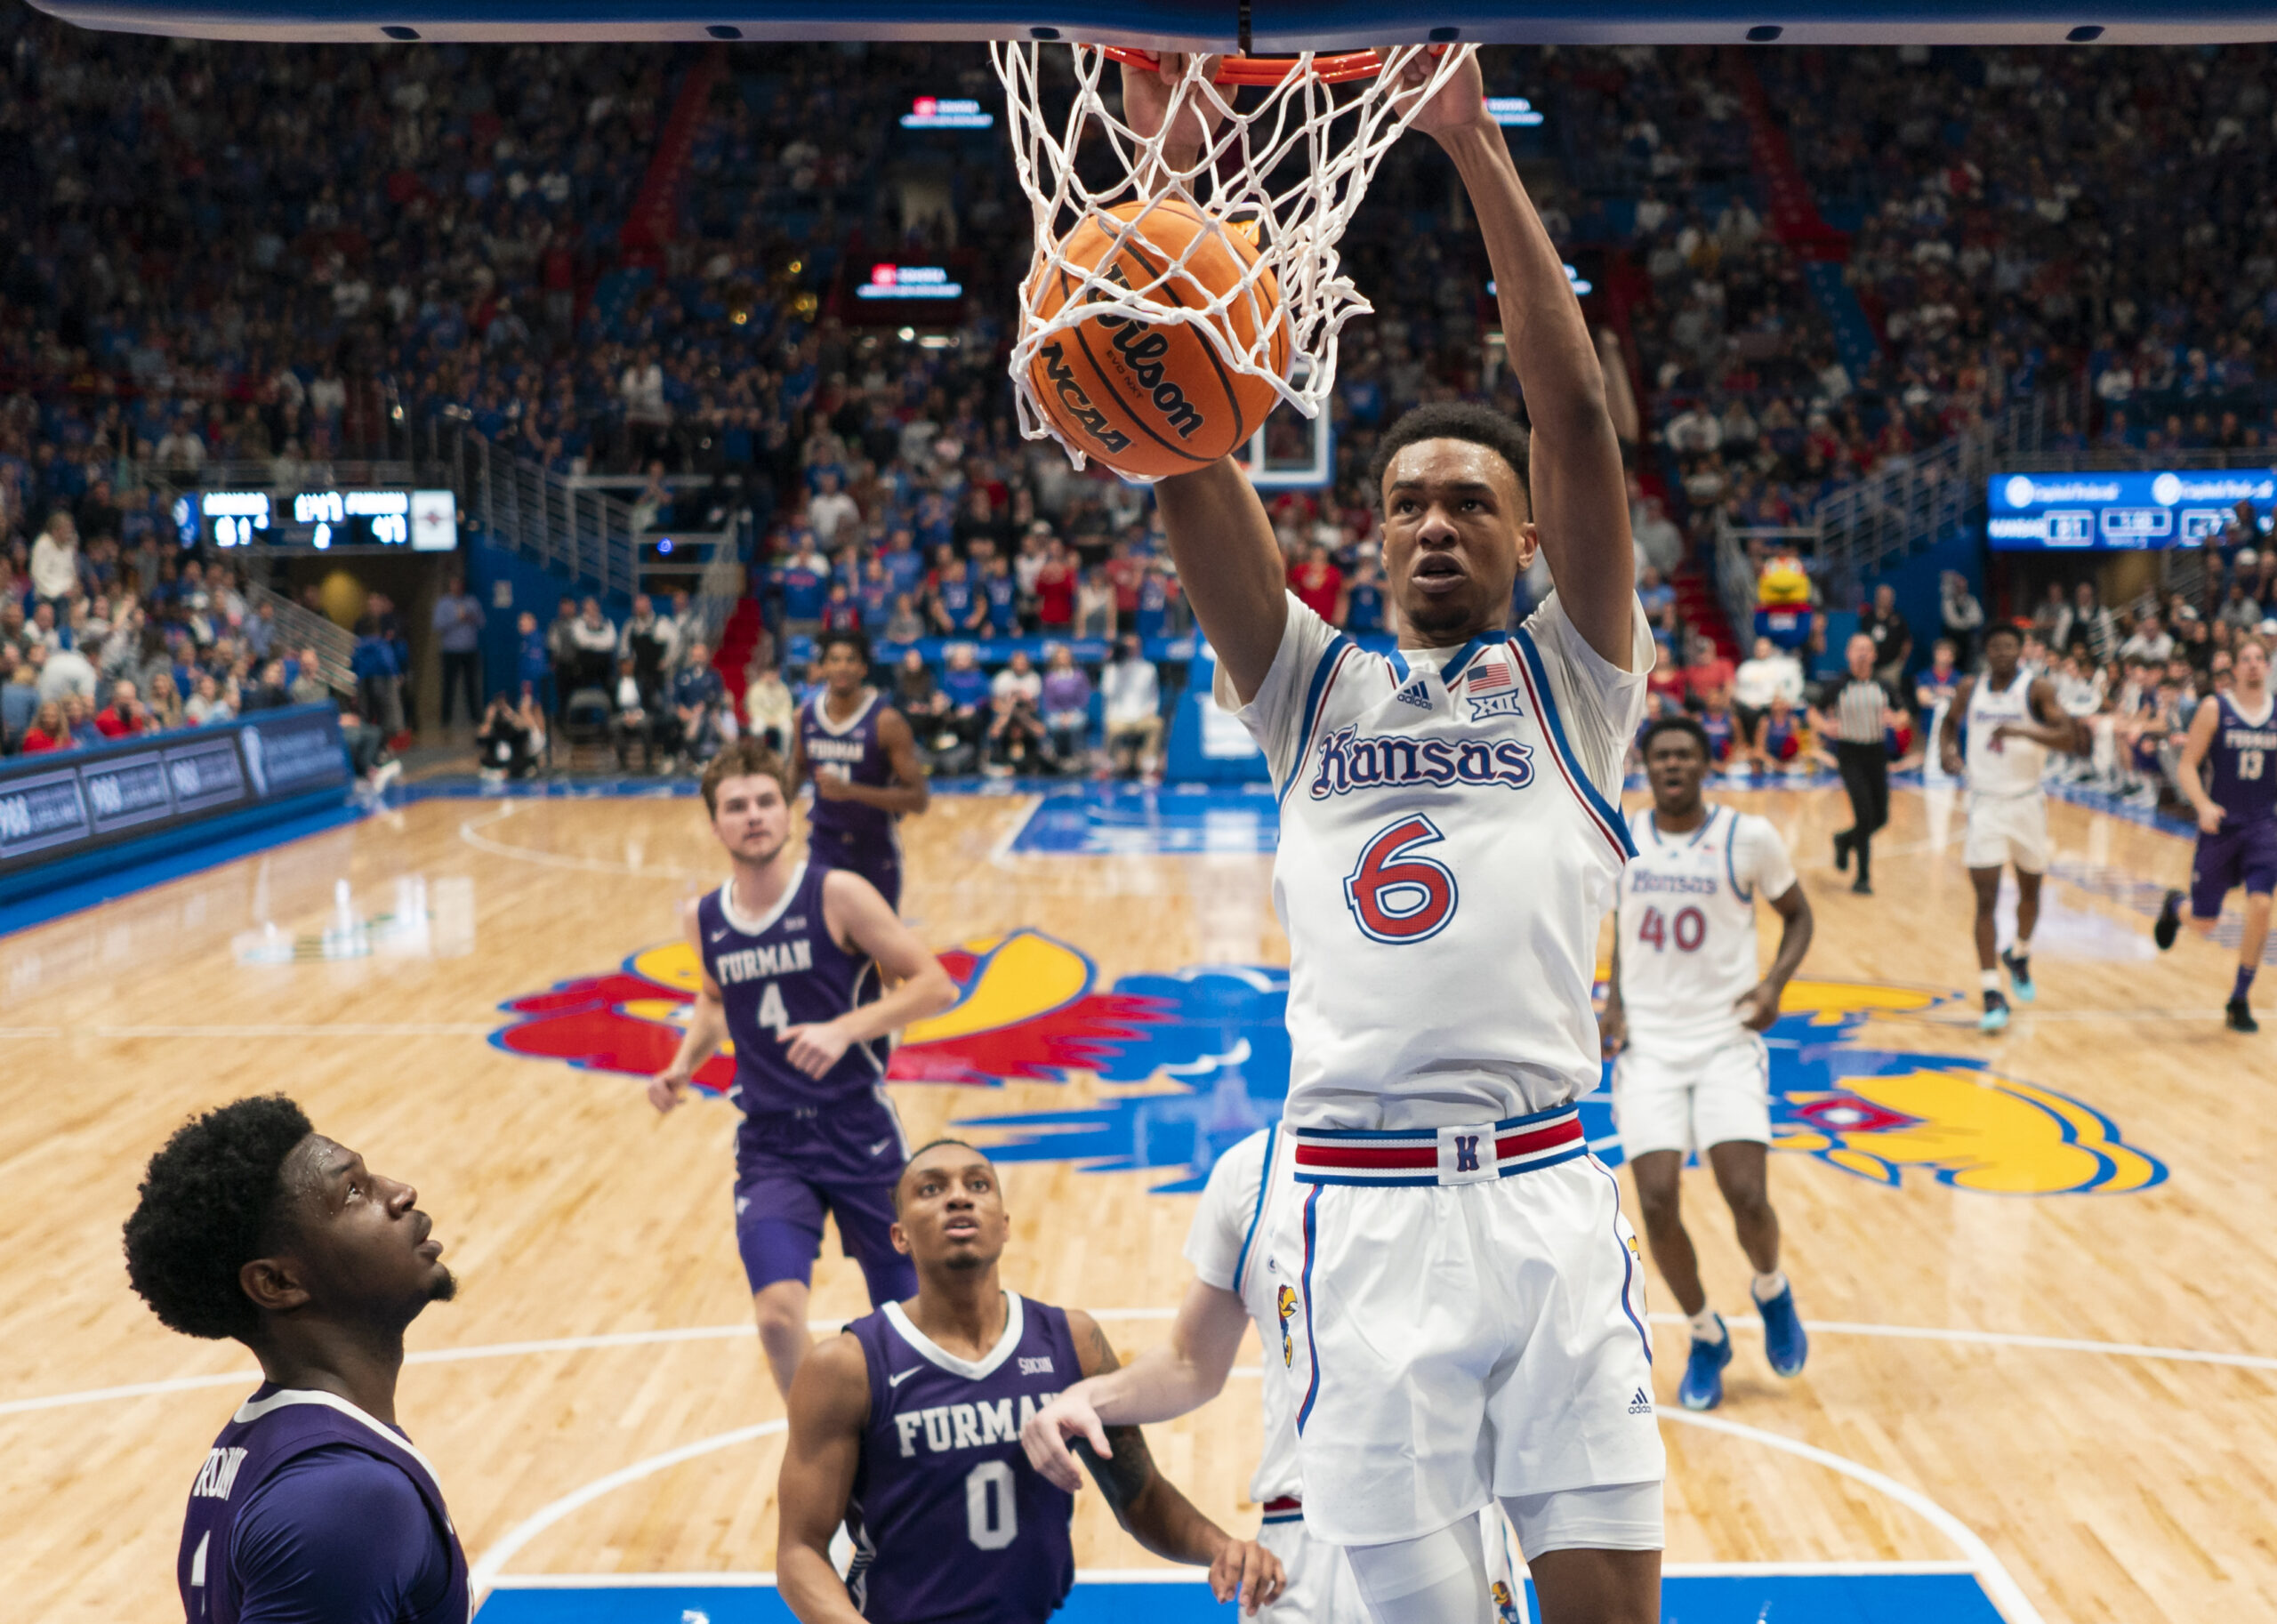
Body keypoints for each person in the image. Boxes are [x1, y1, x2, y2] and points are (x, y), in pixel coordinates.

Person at [1123, 50, 1660, 1624]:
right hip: (1358, 1217)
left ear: (1526, 538)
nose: (1437, 521)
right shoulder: (1308, 686)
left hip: (1552, 1198)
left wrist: (1471, 138)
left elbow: (1571, 415)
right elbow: (1184, 447)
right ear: (1370, 531)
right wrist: (1168, 177)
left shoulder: (1578, 680)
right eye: (1409, 500)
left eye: (1472, 504)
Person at [1024, 1121, 1526, 1623]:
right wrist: (1089, 1398)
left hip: (1451, 1516)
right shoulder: (1252, 1171)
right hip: (1298, 1542)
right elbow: (1191, 1364)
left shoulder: (1471, 1145)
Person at [776, 1138, 1285, 1624]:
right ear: (900, 1235)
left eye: (978, 1185)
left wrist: (1222, 1548)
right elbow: (799, 1551)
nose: (958, 1197)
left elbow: (1143, 1497)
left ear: (1004, 1225)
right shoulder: (847, 1366)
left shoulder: (1072, 1341)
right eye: (931, 1189)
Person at [650, 743, 956, 1397]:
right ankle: (823, 1459)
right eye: (736, 806)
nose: (753, 816)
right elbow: (713, 1000)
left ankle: (917, 1448)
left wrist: (845, 1028)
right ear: (715, 825)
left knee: (905, 1319)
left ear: (790, 815)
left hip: (858, 1130)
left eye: (766, 802)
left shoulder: (837, 894)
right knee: (777, 1317)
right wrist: (681, 1066)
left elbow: (935, 985)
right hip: (770, 1142)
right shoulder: (704, 917)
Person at [122, 1097, 465, 1624]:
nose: (401, 1192)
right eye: (353, 1192)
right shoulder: (342, 1497)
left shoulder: (263, 1446)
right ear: (278, 1283)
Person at [1601, 717, 1814, 1411]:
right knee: (1656, 1202)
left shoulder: (1746, 838)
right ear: (1647, 765)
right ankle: (1705, 1334)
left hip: (1726, 1038)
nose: (1671, 766)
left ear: (1704, 765)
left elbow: (1800, 916)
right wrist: (1613, 1004)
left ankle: (1772, 1289)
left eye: (1684, 756)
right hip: (1650, 1048)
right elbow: (1617, 931)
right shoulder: (1621, 835)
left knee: (1745, 1194)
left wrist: (1773, 985)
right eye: (1660, 756)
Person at [1939, 623, 2085, 1033]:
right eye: (1994, 647)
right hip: (1984, 802)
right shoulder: (1971, 688)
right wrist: (1947, 754)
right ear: (1986, 651)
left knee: (2030, 892)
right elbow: (1948, 724)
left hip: (2026, 803)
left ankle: (2019, 953)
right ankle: (1990, 991)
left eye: (2009, 647)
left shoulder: (2036, 690)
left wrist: (2023, 728)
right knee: (1984, 899)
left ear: (2020, 651)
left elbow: (2067, 737)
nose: (2001, 653)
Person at [2154, 633, 2275, 1033]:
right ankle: (2175, 907)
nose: (2254, 664)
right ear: (2235, 668)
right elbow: (2188, 765)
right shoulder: (2215, 708)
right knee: (2205, 922)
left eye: (2261, 658)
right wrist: (2203, 805)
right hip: (2222, 824)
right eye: (2247, 658)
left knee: (2261, 906)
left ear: (2269, 667)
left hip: (2263, 826)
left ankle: (2239, 998)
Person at [793, 631, 929, 910]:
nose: (842, 666)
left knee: (876, 949)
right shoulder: (804, 717)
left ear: (863, 668)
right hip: (824, 845)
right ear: (822, 668)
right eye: (834, 659)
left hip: (873, 848)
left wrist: (850, 792)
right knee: (824, 946)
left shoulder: (886, 722)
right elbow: (797, 768)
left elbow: (918, 799)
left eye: (850, 660)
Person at [1810, 634, 1898, 895]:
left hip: (1876, 754)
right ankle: (1863, 877)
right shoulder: (1838, 685)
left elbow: (1903, 711)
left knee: (1881, 817)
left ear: (1874, 655)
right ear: (1848, 654)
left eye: (1867, 649)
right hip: (1850, 755)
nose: (1862, 653)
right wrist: (1824, 726)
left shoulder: (1883, 685)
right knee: (1864, 814)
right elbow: (1812, 712)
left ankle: (1843, 840)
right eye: (1857, 648)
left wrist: (1897, 718)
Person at [1101, 634, 1162, 778]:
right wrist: (1114, 664)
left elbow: (1154, 695)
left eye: (1134, 647)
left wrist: (1150, 711)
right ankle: (1108, 766)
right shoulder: (1112, 668)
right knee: (1113, 729)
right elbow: (1107, 691)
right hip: (1118, 716)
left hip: (1142, 716)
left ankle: (1149, 768)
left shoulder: (1148, 669)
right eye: (1128, 647)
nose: (1131, 650)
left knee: (1156, 725)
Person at [431, 575, 486, 728]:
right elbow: (437, 625)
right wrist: (456, 618)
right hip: (450, 651)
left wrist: (470, 617)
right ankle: (445, 719)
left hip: (469, 650)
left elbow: (482, 622)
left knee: (471, 685)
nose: (456, 587)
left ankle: (475, 717)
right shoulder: (443, 603)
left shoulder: (472, 602)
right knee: (448, 685)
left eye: (459, 584)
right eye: (453, 584)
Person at [1859, 583, 1912, 686]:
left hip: (1891, 667)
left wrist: (1900, 663)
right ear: (1876, 597)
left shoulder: (1899, 619)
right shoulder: (1867, 618)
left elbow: (1907, 642)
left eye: (1888, 597)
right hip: (1870, 666)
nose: (1885, 599)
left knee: (1891, 694)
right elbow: (1862, 639)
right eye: (1882, 596)